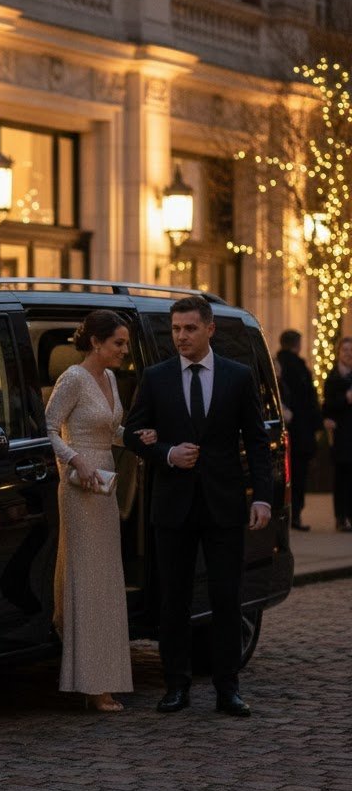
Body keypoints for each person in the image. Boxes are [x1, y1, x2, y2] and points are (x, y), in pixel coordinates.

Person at [124, 296, 272, 718]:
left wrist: (261, 496)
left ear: (209, 330)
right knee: (174, 599)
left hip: (224, 505)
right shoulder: (155, 377)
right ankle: (176, 686)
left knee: (227, 597)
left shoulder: (237, 376)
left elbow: (257, 441)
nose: (181, 337)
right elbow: (134, 433)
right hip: (173, 507)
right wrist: (168, 453)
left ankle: (228, 688)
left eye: (189, 329)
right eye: (175, 330)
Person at [45, 310, 156, 713]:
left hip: (105, 485)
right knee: (87, 582)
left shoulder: (109, 379)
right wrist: (75, 461)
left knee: (108, 582)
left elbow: (110, 431)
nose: (125, 351)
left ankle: (105, 680)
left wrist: (135, 435)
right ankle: (91, 684)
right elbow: (48, 427)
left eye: (125, 344)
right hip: (78, 487)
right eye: (119, 343)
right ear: (96, 342)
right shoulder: (72, 378)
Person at [275, 329, 322, 530]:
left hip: (285, 429)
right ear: (297, 344)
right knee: (298, 475)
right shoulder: (299, 368)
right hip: (300, 431)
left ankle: (287, 517)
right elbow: (309, 400)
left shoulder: (277, 364)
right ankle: (295, 515)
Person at [322, 336, 352, 532]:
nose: (348, 354)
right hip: (341, 435)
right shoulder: (332, 378)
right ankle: (341, 517)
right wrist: (346, 398)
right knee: (342, 477)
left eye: (351, 351)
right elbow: (327, 407)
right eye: (345, 351)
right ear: (339, 353)